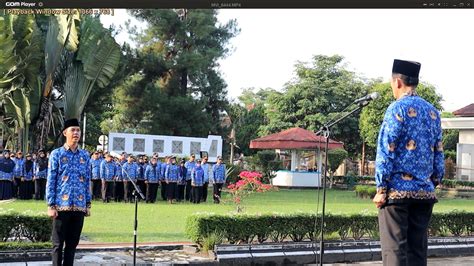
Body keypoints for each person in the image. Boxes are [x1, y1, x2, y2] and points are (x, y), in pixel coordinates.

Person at [373, 59, 444, 266]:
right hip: (424, 193)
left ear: (397, 82)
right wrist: (433, 182)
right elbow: (438, 151)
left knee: (394, 251)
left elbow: (386, 149)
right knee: (417, 252)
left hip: (396, 193)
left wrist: (381, 188)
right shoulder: (433, 112)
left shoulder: (396, 109)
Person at [46, 118, 91, 266]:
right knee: (58, 245)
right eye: (73, 130)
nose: (76, 133)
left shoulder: (85, 156)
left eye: (78, 130)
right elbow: (51, 180)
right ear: (65, 132)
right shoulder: (56, 154)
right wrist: (51, 205)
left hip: (79, 206)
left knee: (72, 245)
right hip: (61, 206)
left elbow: (87, 181)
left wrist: (88, 204)